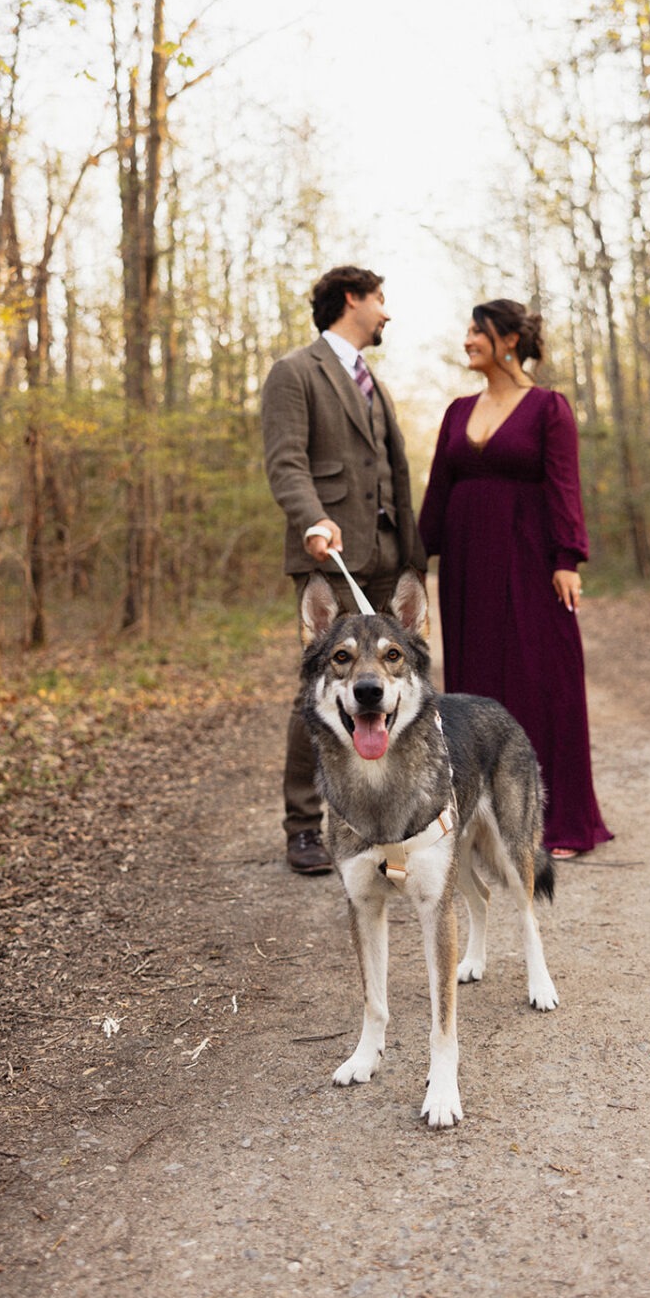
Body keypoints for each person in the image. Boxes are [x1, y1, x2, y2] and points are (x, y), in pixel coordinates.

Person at [418, 299, 612, 859]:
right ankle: (484, 821)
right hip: (467, 572)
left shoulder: (549, 408)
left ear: (507, 341)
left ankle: (560, 822)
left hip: (530, 564)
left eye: (476, 331)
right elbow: (438, 495)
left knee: (544, 682)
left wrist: (566, 558)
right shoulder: (457, 411)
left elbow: (563, 487)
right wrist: (414, 557)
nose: (467, 339)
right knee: (474, 690)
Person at [261, 265, 427, 873]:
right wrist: (311, 519)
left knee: (389, 690)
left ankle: (382, 820)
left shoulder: (374, 385)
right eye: (381, 298)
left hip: (389, 557)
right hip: (329, 558)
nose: (387, 311)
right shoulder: (294, 372)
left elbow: (392, 474)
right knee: (320, 693)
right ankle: (305, 826)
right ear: (352, 299)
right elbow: (285, 462)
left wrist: (415, 552)